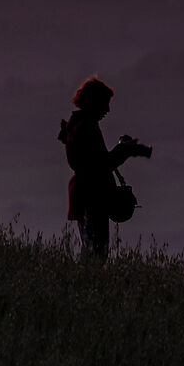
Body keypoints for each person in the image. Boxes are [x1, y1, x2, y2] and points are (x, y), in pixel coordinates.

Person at [57, 76, 151, 258]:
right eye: (104, 104)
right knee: (97, 253)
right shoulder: (85, 128)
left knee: (93, 251)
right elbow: (101, 164)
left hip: (86, 195)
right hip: (91, 196)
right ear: (94, 102)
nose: (107, 110)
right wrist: (124, 149)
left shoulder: (79, 125)